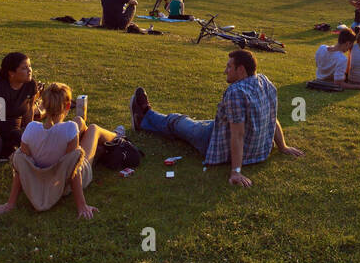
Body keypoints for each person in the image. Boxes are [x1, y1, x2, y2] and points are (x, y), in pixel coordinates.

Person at [129, 49, 302, 186]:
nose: (225, 71)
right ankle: (145, 119)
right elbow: (272, 117)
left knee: (178, 122)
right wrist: (283, 146)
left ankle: (144, 116)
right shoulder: (264, 81)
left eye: (229, 67)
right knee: (195, 123)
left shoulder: (236, 92)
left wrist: (235, 171)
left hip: (213, 141)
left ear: (240, 69)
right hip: (247, 143)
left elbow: (238, 134)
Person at [0, 82, 116, 220]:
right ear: (68, 106)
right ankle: (118, 136)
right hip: (63, 184)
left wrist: (10, 204)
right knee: (93, 129)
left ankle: (99, 147)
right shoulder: (70, 128)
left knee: (79, 121)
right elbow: (73, 168)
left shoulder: (30, 129)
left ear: (43, 106)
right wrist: (82, 206)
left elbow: (22, 167)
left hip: (40, 180)